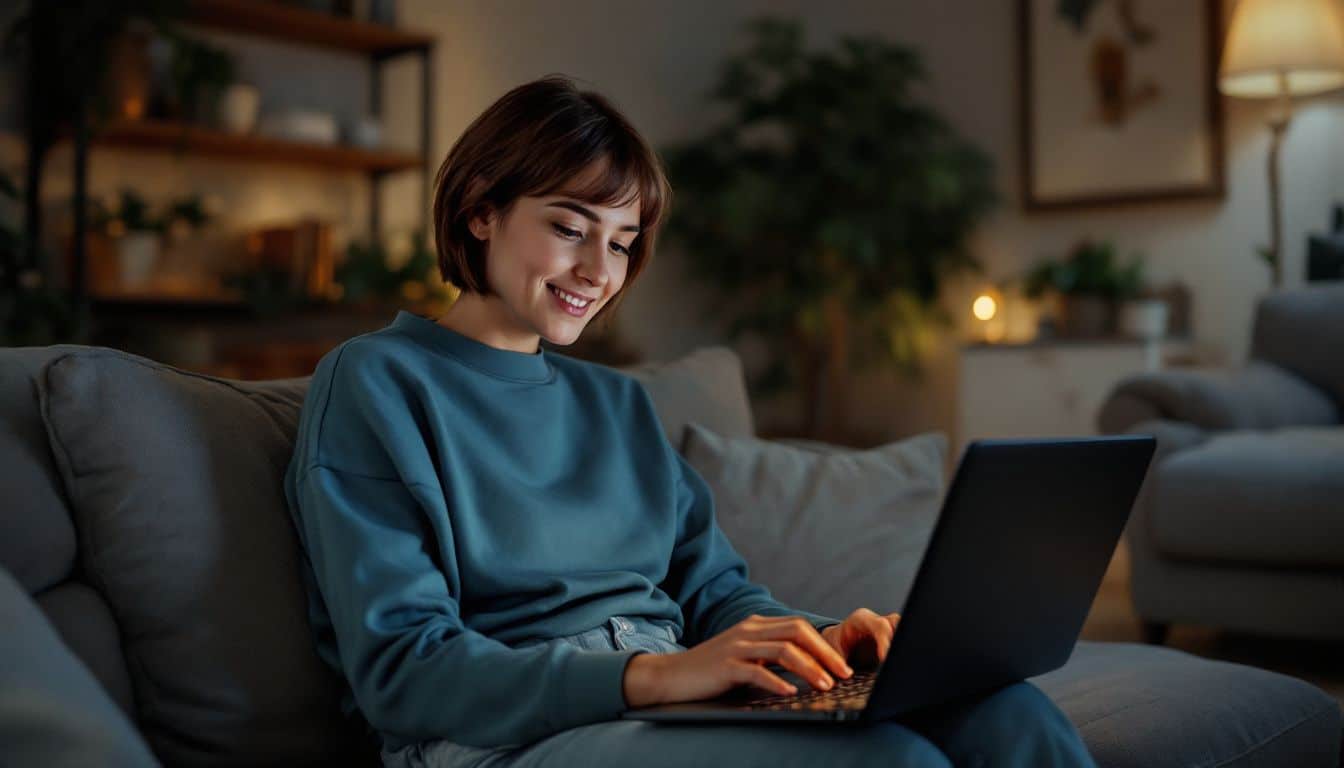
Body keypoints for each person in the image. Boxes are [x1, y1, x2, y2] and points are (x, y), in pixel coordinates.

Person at [283, 74, 1098, 768]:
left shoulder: (617, 403)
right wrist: (652, 676)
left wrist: (824, 640)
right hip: (499, 733)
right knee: (888, 759)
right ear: (480, 211)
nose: (597, 273)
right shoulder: (375, 383)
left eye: (623, 242)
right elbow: (403, 669)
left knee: (1006, 715)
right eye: (569, 228)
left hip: (666, 690)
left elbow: (716, 594)